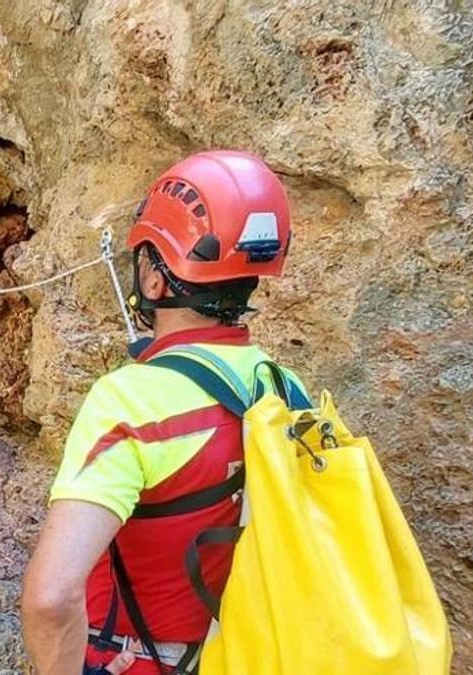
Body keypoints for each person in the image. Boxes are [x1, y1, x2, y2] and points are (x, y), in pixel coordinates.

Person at [20, 151, 307, 674]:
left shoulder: (130, 403)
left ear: (155, 280)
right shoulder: (285, 389)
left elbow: (51, 597)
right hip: (233, 654)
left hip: (131, 659)